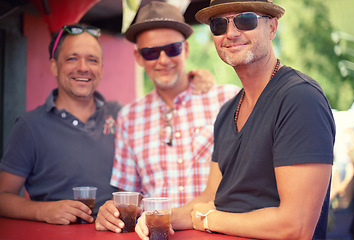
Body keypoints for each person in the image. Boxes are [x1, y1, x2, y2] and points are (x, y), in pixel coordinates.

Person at [135, 1, 336, 240]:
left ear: (272, 27)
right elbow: (209, 199)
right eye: (219, 24)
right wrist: (156, 217)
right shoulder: (228, 110)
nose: (230, 33)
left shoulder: (300, 98)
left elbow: (295, 226)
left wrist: (209, 219)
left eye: (246, 20)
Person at [0, 23, 211, 225]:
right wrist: (42, 210)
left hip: (117, 230)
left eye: (92, 60)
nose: (83, 68)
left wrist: (194, 79)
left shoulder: (121, 115)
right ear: (54, 66)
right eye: (72, 58)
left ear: (101, 68)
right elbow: (3, 196)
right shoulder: (30, 126)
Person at [95, 1, 239, 233]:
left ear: (186, 49)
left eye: (172, 49)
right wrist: (112, 210)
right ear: (138, 57)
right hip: (157, 235)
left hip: (219, 233)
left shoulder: (227, 99)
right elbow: (129, 196)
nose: (163, 60)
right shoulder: (129, 118)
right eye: (151, 52)